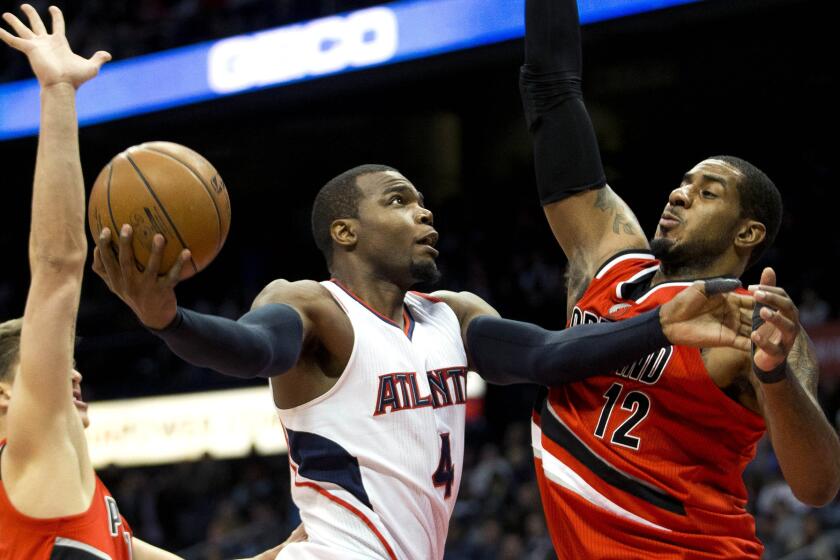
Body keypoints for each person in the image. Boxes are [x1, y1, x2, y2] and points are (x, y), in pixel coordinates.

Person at [94, 156, 755, 558]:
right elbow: (249, 349)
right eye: (400, 201)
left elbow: (551, 356)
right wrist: (169, 320)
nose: (425, 212)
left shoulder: (454, 314)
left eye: (422, 200)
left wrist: (659, 325)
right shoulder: (313, 308)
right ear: (345, 231)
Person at [518, 0, 840, 557]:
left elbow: (818, 486)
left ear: (747, 234)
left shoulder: (751, 323)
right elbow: (551, 89)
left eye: (706, 192)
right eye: (683, 183)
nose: (678, 193)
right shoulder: (608, 260)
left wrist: (773, 373)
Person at [0, 6, 287, 559]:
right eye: (50, 363)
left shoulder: (87, 502)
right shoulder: (32, 457)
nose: (73, 370)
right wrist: (58, 93)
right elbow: (58, 267)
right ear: (6, 395)